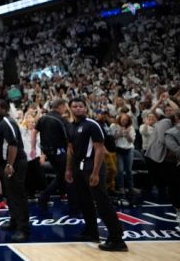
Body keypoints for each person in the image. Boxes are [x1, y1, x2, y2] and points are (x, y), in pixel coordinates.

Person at [64, 98, 127, 252]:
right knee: (84, 201)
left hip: (92, 166)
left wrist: (96, 172)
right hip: (78, 168)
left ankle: (117, 239)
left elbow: (99, 149)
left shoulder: (92, 124)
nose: (78, 108)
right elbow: (70, 150)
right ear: (70, 109)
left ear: (85, 108)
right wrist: (68, 169)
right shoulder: (70, 126)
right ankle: (91, 232)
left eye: (81, 106)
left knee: (102, 202)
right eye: (75, 106)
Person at [0, 99, 30, 242]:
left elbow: (13, 144)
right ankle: (14, 220)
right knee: (11, 195)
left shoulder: (7, 122)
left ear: (4, 109)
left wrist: (9, 165)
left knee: (18, 196)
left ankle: (23, 229)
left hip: (15, 164)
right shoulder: (1, 123)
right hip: (6, 164)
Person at [33, 99, 76, 212]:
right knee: (65, 176)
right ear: (60, 106)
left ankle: (72, 202)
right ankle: (44, 197)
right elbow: (70, 138)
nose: (65, 109)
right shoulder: (61, 120)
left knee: (62, 176)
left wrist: (33, 148)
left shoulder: (43, 118)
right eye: (65, 107)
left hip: (48, 152)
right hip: (60, 153)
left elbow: (34, 132)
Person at [111, 112, 136, 194]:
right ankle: (121, 187)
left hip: (129, 149)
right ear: (119, 119)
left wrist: (127, 133)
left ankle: (131, 187)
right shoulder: (114, 126)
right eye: (123, 119)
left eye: (126, 120)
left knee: (129, 169)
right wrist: (120, 133)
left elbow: (131, 141)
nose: (124, 121)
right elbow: (112, 138)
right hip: (119, 150)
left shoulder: (131, 128)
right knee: (120, 170)